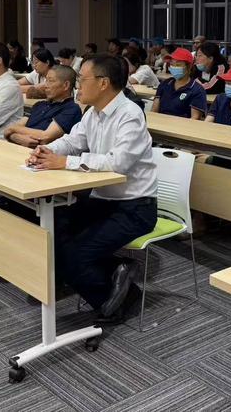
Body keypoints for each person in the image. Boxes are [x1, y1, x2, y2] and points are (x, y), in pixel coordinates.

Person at [28, 54, 158, 322]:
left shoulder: (130, 115)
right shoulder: (93, 113)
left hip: (134, 207)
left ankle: (122, 299)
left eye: (82, 79)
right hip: (102, 201)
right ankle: (113, 270)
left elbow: (118, 163)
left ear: (103, 83)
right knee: (52, 230)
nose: (78, 86)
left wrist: (65, 162)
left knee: (75, 254)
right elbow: (72, 141)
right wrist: (46, 151)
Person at [5, 65, 82, 147]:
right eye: (46, 80)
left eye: (50, 81)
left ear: (66, 85)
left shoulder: (71, 109)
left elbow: (45, 136)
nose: (45, 85)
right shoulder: (39, 105)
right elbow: (10, 130)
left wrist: (13, 129)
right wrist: (16, 137)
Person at [151, 48, 207, 119]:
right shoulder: (164, 84)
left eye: (178, 65)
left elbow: (194, 118)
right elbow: (154, 110)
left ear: (189, 67)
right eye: (172, 64)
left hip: (183, 125)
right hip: (160, 123)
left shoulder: (197, 90)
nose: (174, 67)